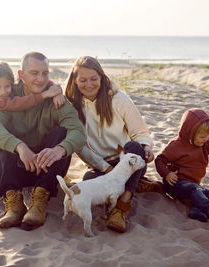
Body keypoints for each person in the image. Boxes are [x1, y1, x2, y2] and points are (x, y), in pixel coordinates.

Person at [0, 52, 86, 229]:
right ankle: (14, 203)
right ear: (21, 75)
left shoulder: (56, 100)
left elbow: (79, 132)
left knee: (61, 132)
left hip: (47, 170)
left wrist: (58, 150)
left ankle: (39, 201)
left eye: (45, 73)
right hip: (17, 169)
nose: (40, 79)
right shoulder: (9, 98)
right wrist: (20, 147)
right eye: (34, 73)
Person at [65, 56, 155, 233]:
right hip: (101, 166)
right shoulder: (72, 106)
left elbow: (140, 132)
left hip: (127, 162)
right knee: (88, 180)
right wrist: (106, 169)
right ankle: (136, 184)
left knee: (135, 148)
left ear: (101, 77)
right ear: (75, 81)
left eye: (94, 79)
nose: (89, 85)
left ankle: (121, 207)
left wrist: (147, 147)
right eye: (83, 80)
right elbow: (80, 146)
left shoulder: (118, 98)